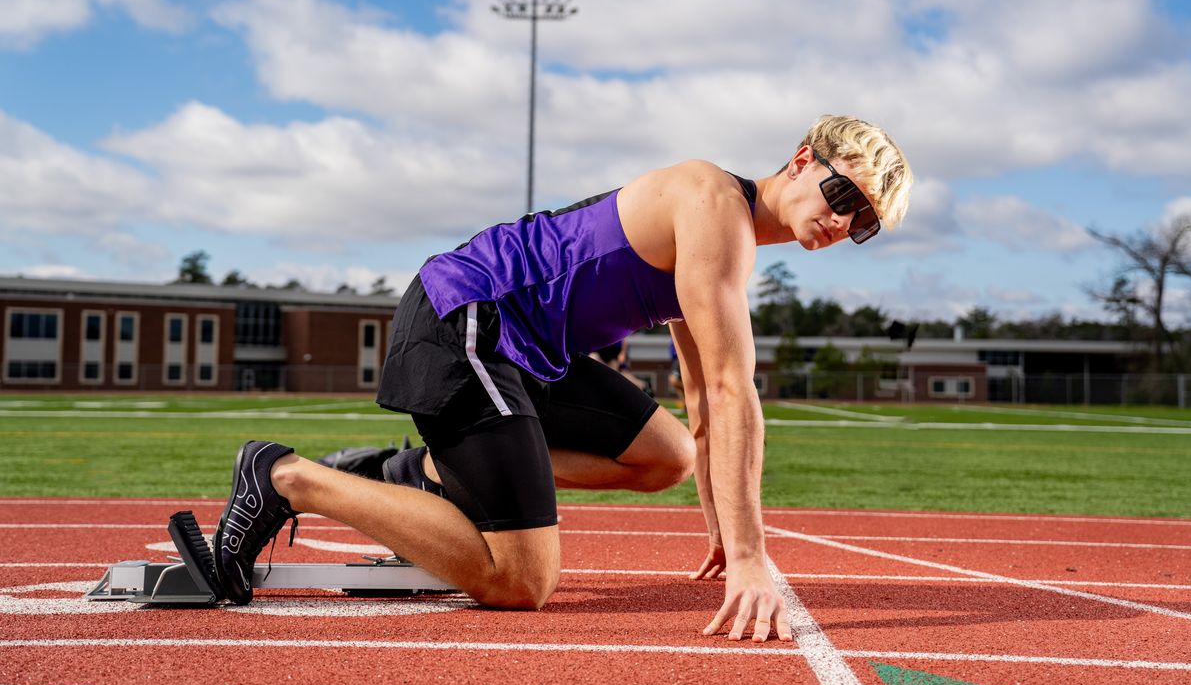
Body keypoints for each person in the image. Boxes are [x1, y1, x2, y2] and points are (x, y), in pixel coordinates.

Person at [213, 114, 913, 643]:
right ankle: (286, 477)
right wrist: (755, 557)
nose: (842, 219)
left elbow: (703, 399)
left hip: (527, 352)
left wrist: (725, 533)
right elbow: (736, 391)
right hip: (468, 317)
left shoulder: (725, 246)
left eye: (863, 223)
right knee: (521, 581)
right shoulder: (710, 203)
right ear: (801, 161)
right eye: (841, 193)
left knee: (668, 456)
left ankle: (422, 474)